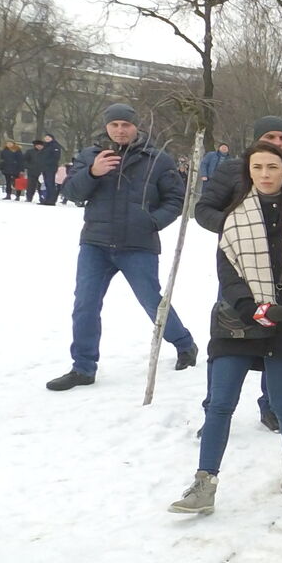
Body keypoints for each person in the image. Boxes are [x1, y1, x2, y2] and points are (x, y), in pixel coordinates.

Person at [168, 144, 282, 514]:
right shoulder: (234, 217)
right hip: (239, 321)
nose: (265, 174)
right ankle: (204, 483)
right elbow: (227, 275)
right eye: (257, 167)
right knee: (220, 403)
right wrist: (252, 308)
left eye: (272, 167)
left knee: (280, 399)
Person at [45, 103, 197, 390]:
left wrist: (152, 222)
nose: (120, 130)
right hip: (96, 244)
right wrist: (92, 172)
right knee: (85, 305)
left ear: (135, 126)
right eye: (114, 125)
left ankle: (184, 343)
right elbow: (71, 192)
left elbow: (176, 199)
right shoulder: (91, 156)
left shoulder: (157, 159)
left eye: (125, 125)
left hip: (138, 244)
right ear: (106, 127)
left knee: (152, 301)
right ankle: (83, 368)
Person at [195, 116, 282, 431]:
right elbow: (205, 209)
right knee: (228, 341)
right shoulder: (234, 170)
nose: (278, 143)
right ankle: (213, 407)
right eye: (271, 136)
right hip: (240, 272)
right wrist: (237, 230)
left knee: (279, 341)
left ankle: (271, 406)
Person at [34, 134, 63, 205]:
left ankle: (51, 200)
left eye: (48, 138)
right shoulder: (45, 146)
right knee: (46, 184)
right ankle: (47, 199)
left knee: (50, 184)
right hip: (44, 168)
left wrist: (47, 163)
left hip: (51, 167)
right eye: (46, 137)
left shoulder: (55, 146)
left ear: (52, 138)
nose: (47, 139)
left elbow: (56, 157)